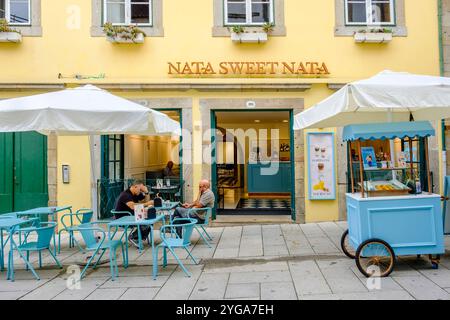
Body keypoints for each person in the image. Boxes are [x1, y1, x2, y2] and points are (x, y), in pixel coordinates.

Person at [114, 180, 154, 247]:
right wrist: (147, 204)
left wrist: (146, 192)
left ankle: (138, 238)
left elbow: (146, 201)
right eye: (140, 189)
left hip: (132, 215)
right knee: (146, 222)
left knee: (150, 220)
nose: (141, 191)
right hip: (123, 217)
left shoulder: (136, 193)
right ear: (135, 187)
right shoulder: (125, 195)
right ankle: (133, 237)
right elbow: (132, 206)